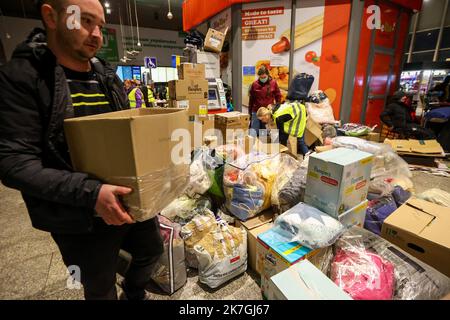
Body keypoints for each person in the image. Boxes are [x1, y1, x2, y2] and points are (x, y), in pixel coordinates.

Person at [0, 0, 163, 300]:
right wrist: (92, 193)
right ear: (51, 16)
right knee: (97, 285)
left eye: (100, 25)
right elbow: (14, 163)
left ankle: (133, 290)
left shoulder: (105, 75)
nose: (97, 34)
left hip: (128, 200)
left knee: (152, 250)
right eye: (85, 21)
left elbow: (125, 134)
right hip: (76, 215)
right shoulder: (22, 76)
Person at [256, 75, 309, 155]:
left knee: (300, 140)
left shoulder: (277, 117)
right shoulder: (272, 110)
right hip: (297, 109)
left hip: (299, 113)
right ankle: (284, 155)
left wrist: (276, 145)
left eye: (262, 119)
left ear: (265, 116)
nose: (262, 122)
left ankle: (308, 157)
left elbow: (282, 134)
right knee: (289, 139)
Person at [248, 65, 281, 137]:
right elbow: (251, 99)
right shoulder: (254, 84)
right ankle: (251, 146)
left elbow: (278, 96)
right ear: (259, 76)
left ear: (268, 75)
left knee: (265, 132)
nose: (263, 79)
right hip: (256, 111)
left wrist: (276, 108)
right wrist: (250, 112)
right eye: (261, 77)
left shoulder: (273, 83)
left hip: (267, 112)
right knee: (253, 131)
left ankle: (263, 147)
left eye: (264, 77)